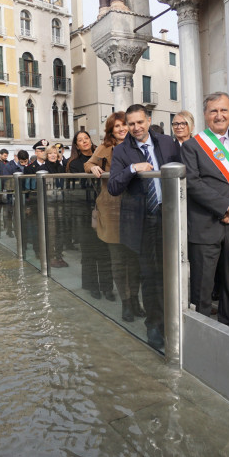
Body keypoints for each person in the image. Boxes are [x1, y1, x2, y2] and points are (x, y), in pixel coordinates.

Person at [108, 104, 182, 350]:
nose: (136, 128)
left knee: (172, 273)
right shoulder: (121, 151)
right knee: (150, 276)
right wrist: (132, 169)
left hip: (170, 218)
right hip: (144, 222)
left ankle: (175, 321)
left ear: (148, 120)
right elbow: (114, 186)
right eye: (131, 124)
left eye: (140, 122)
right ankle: (154, 325)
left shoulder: (167, 143)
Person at [183, 92, 229, 330]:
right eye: (213, 110)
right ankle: (201, 329)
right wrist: (226, 206)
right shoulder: (192, 146)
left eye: (223, 110)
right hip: (206, 224)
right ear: (205, 115)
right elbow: (193, 184)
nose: (219, 115)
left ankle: (228, 326)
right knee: (202, 284)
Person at [87, 113, 141, 322]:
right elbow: (88, 164)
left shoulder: (138, 144)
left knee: (134, 258)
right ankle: (126, 303)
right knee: (118, 260)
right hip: (111, 207)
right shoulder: (105, 147)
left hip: (135, 206)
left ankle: (135, 300)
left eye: (124, 125)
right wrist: (93, 166)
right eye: (116, 126)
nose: (121, 129)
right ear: (111, 130)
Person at [67, 130, 114, 300]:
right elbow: (76, 189)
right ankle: (92, 285)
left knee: (105, 250)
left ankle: (107, 287)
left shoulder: (101, 152)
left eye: (86, 138)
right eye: (80, 140)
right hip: (85, 211)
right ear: (77, 145)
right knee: (89, 250)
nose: (84, 141)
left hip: (105, 207)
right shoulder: (74, 163)